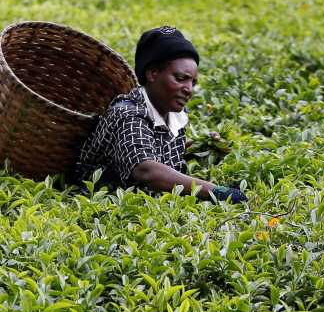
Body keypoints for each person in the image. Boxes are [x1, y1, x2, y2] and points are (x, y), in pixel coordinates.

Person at [73, 27, 245, 203]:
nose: (189, 90)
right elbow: (146, 169)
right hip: (104, 205)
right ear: (152, 73)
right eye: (180, 78)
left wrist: (201, 148)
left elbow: (159, 152)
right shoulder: (128, 114)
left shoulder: (172, 112)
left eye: (192, 82)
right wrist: (216, 191)